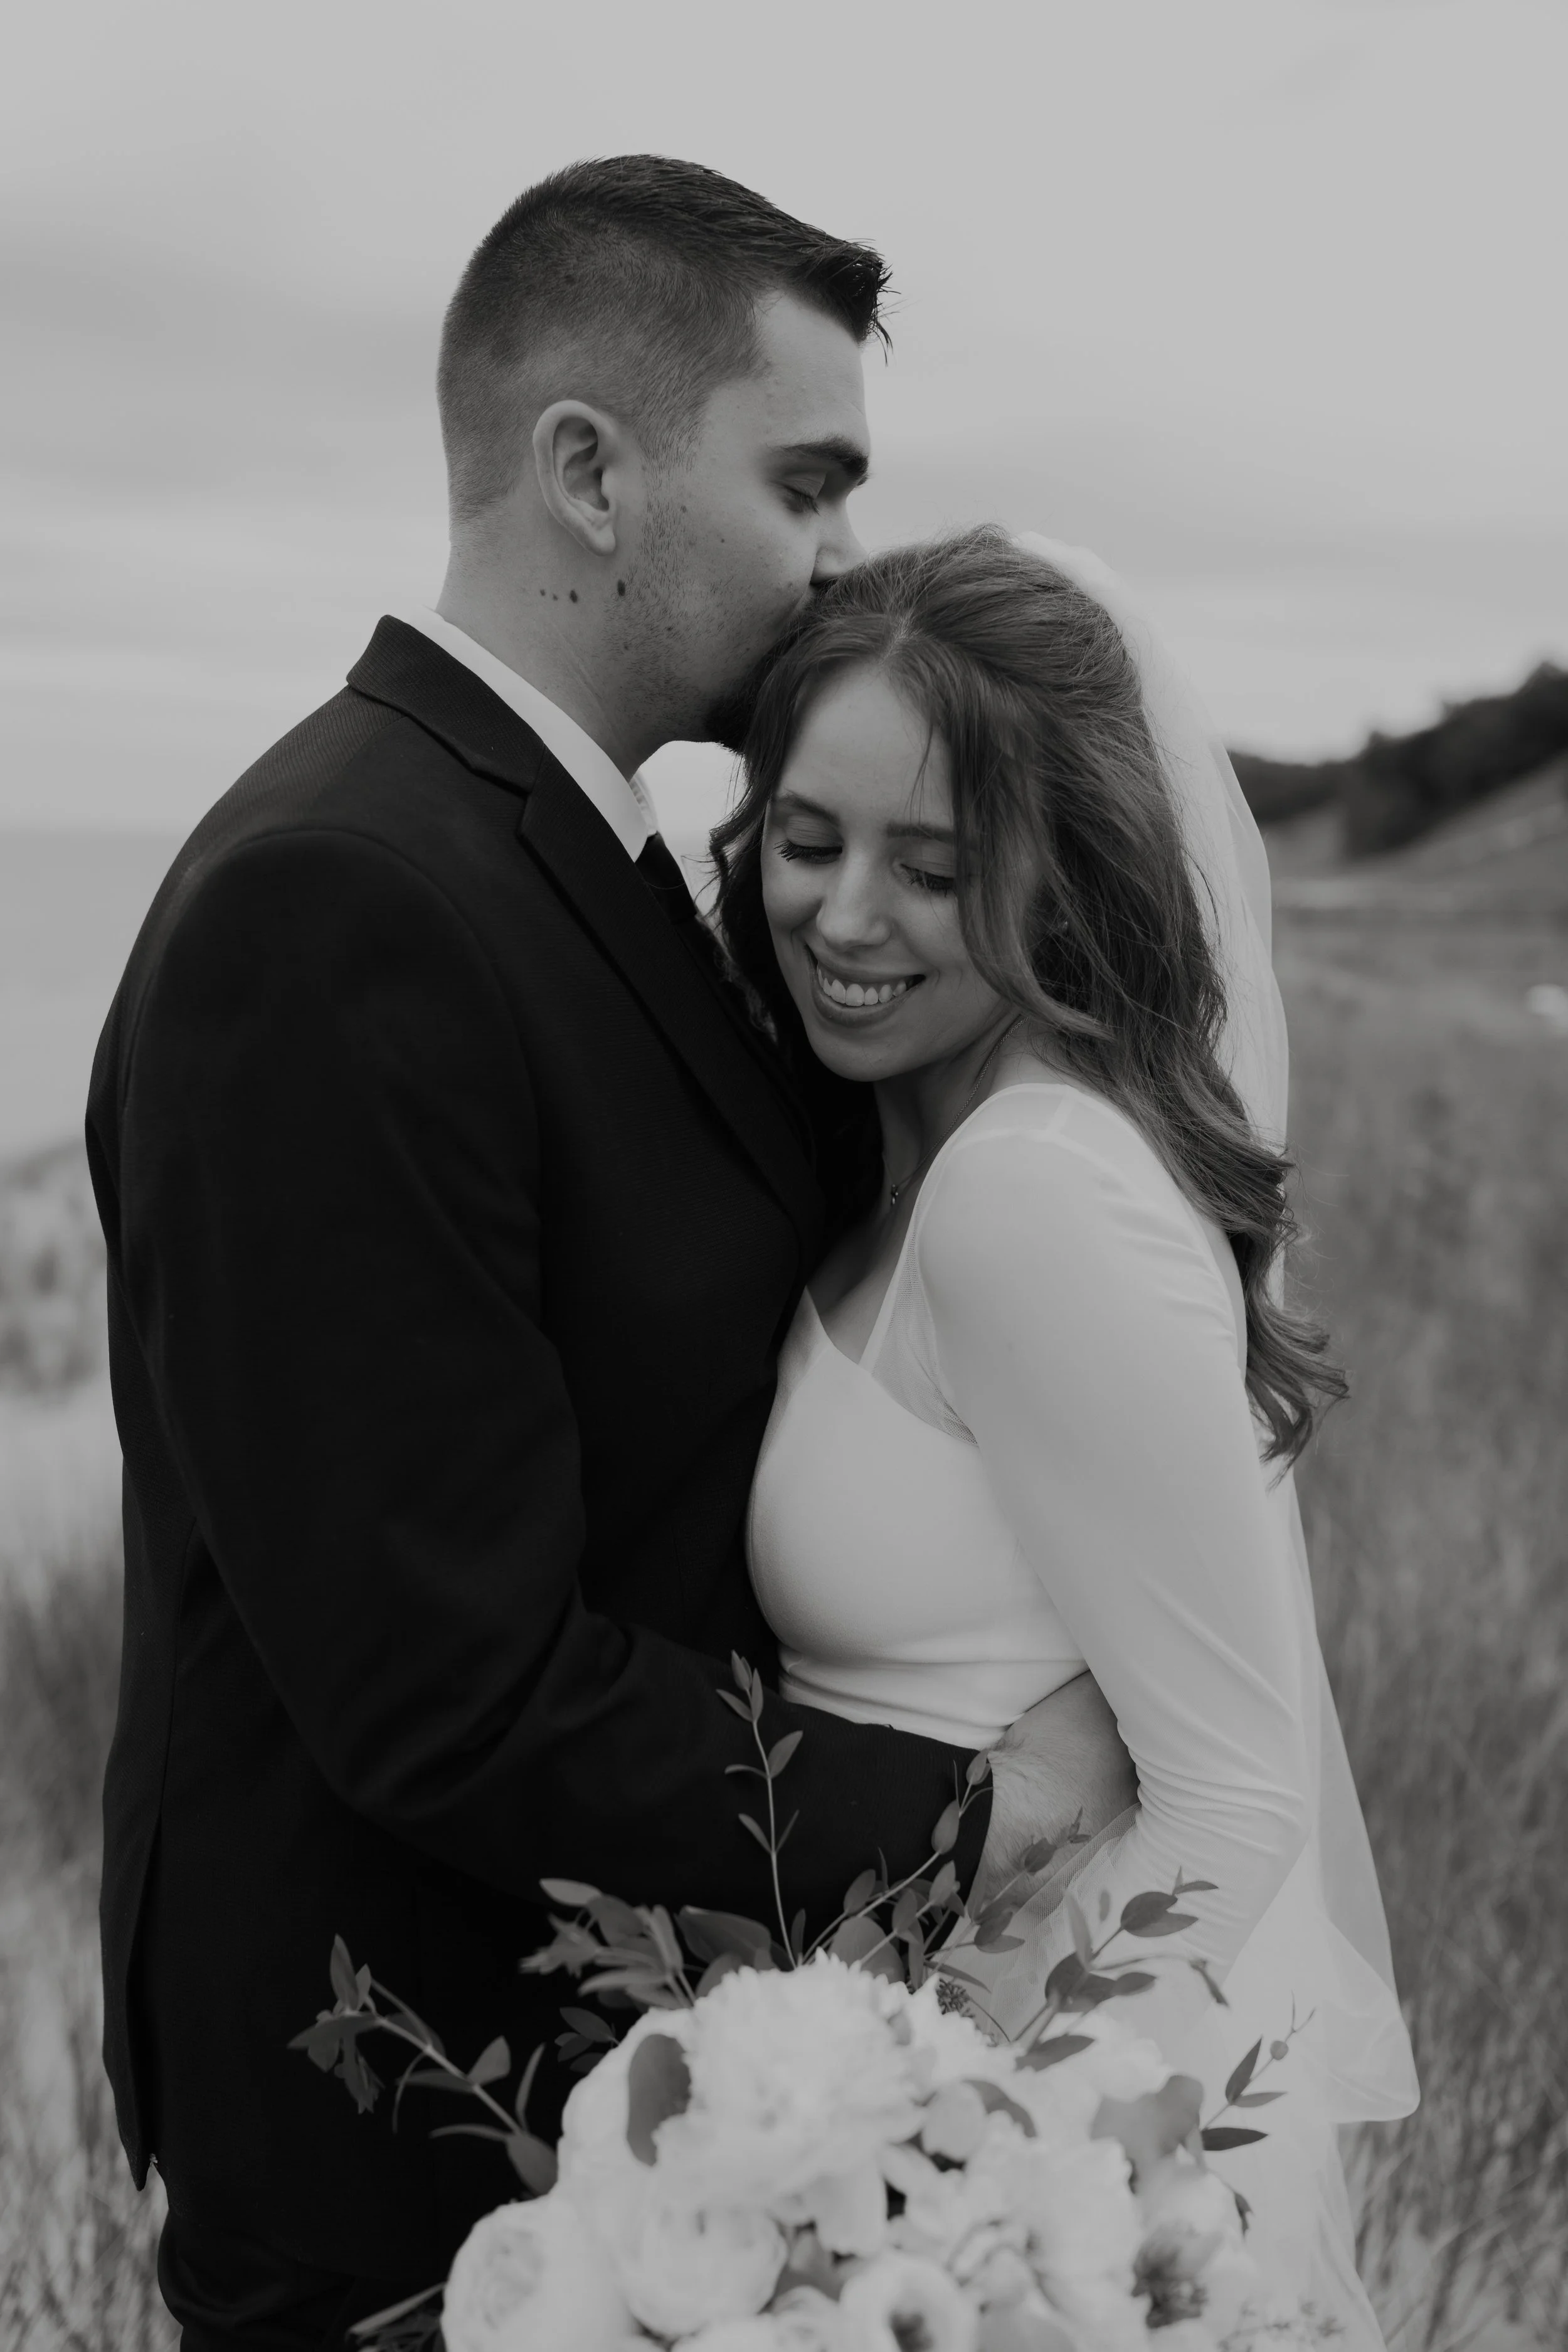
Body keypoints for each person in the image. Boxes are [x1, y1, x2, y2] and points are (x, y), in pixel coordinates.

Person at [86, 163, 1132, 2348]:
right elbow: (439, 1671)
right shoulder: (339, 904)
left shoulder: (561, 843)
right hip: (404, 2138)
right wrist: (966, 1814)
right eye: (807, 484)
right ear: (589, 472)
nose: (845, 556)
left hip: (649, 2091)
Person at [723, 527, 1420, 2344]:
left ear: (1060, 875)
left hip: (1001, 2178)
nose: (848, 917)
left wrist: (945, 2159)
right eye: (808, 843)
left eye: (932, 867)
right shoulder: (925, 1155)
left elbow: (1235, 1792)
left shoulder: (1025, 1189)